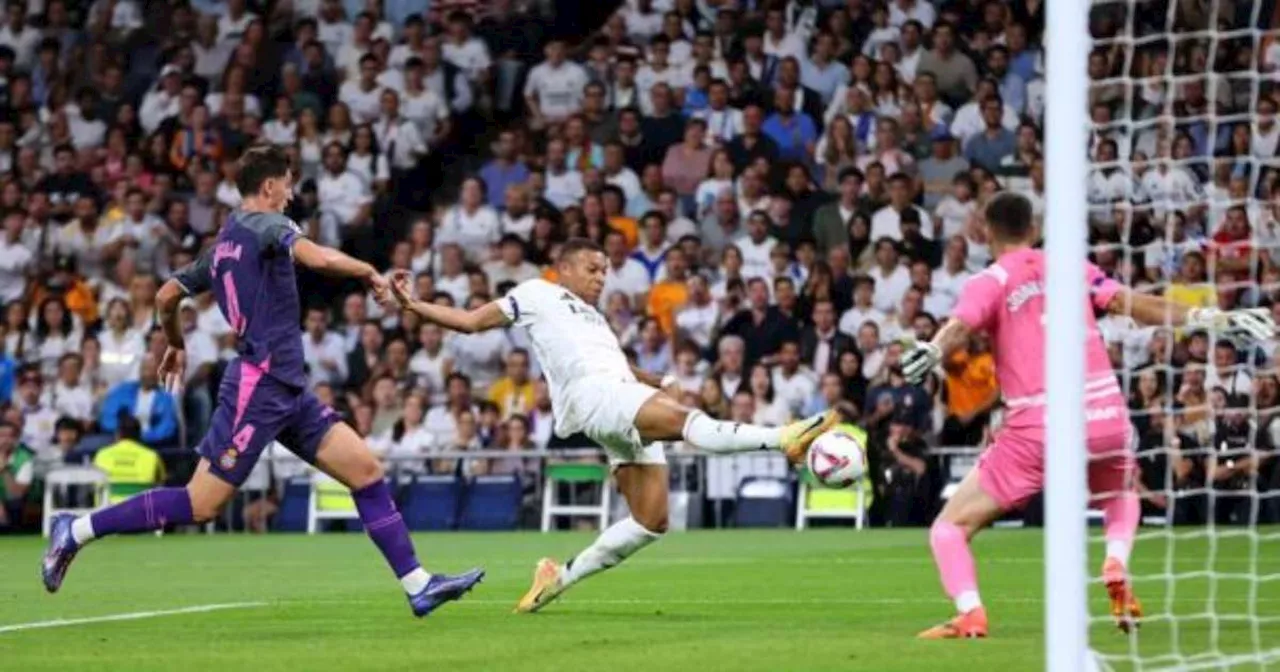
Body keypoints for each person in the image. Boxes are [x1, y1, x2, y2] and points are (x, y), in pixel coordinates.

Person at [41, 146, 483, 617]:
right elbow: (318, 258)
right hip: (258, 385)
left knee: (366, 472)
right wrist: (368, 271)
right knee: (200, 503)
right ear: (269, 186)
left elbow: (168, 294)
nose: (291, 195)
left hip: (288, 389)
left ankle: (419, 585)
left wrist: (175, 342)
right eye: (288, 184)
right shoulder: (269, 224)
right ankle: (76, 529)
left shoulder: (225, 241)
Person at [384, 237, 838, 614]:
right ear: (563, 268)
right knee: (685, 423)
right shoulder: (537, 293)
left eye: (605, 271)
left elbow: (622, 367)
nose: (601, 277)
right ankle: (783, 439)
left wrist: (662, 379)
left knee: (651, 521)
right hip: (593, 396)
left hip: (618, 394)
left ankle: (557, 578)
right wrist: (415, 305)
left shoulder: (595, 318)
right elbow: (468, 322)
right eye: (592, 269)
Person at [901, 191, 1277, 639]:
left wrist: (932, 349)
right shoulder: (1073, 269)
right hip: (1104, 415)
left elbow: (962, 324)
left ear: (984, 231)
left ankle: (971, 615)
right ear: (1034, 229)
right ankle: (1115, 560)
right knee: (1119, 492)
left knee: (950, 528)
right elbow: (1137, 304)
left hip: (1038, 427)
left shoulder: (991, 279)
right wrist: (1211, 317)